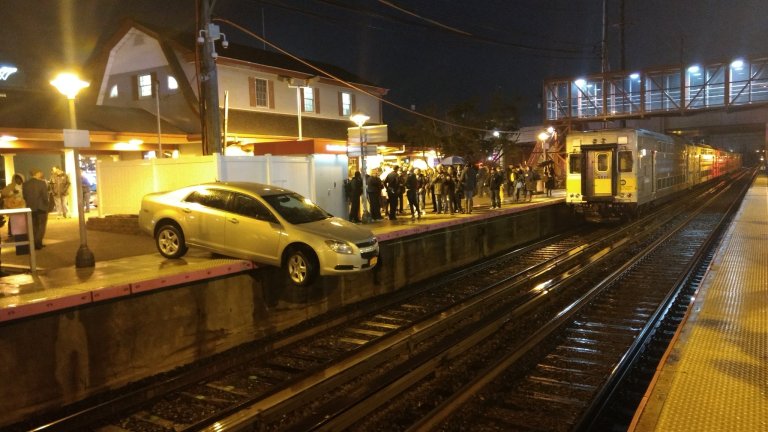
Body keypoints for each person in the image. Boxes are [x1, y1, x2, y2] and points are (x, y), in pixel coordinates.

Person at [23, 169, 50, 250]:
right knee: (41, 226)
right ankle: (38, 243)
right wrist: (47, 205)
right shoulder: (42, 183)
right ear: (37, 173)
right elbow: (45, 196)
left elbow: (24, 196)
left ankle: (33, 243)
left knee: (33, 226)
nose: (41, 173)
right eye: (40, 172)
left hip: (30, 208)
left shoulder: (26, 184)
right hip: (41, 208)